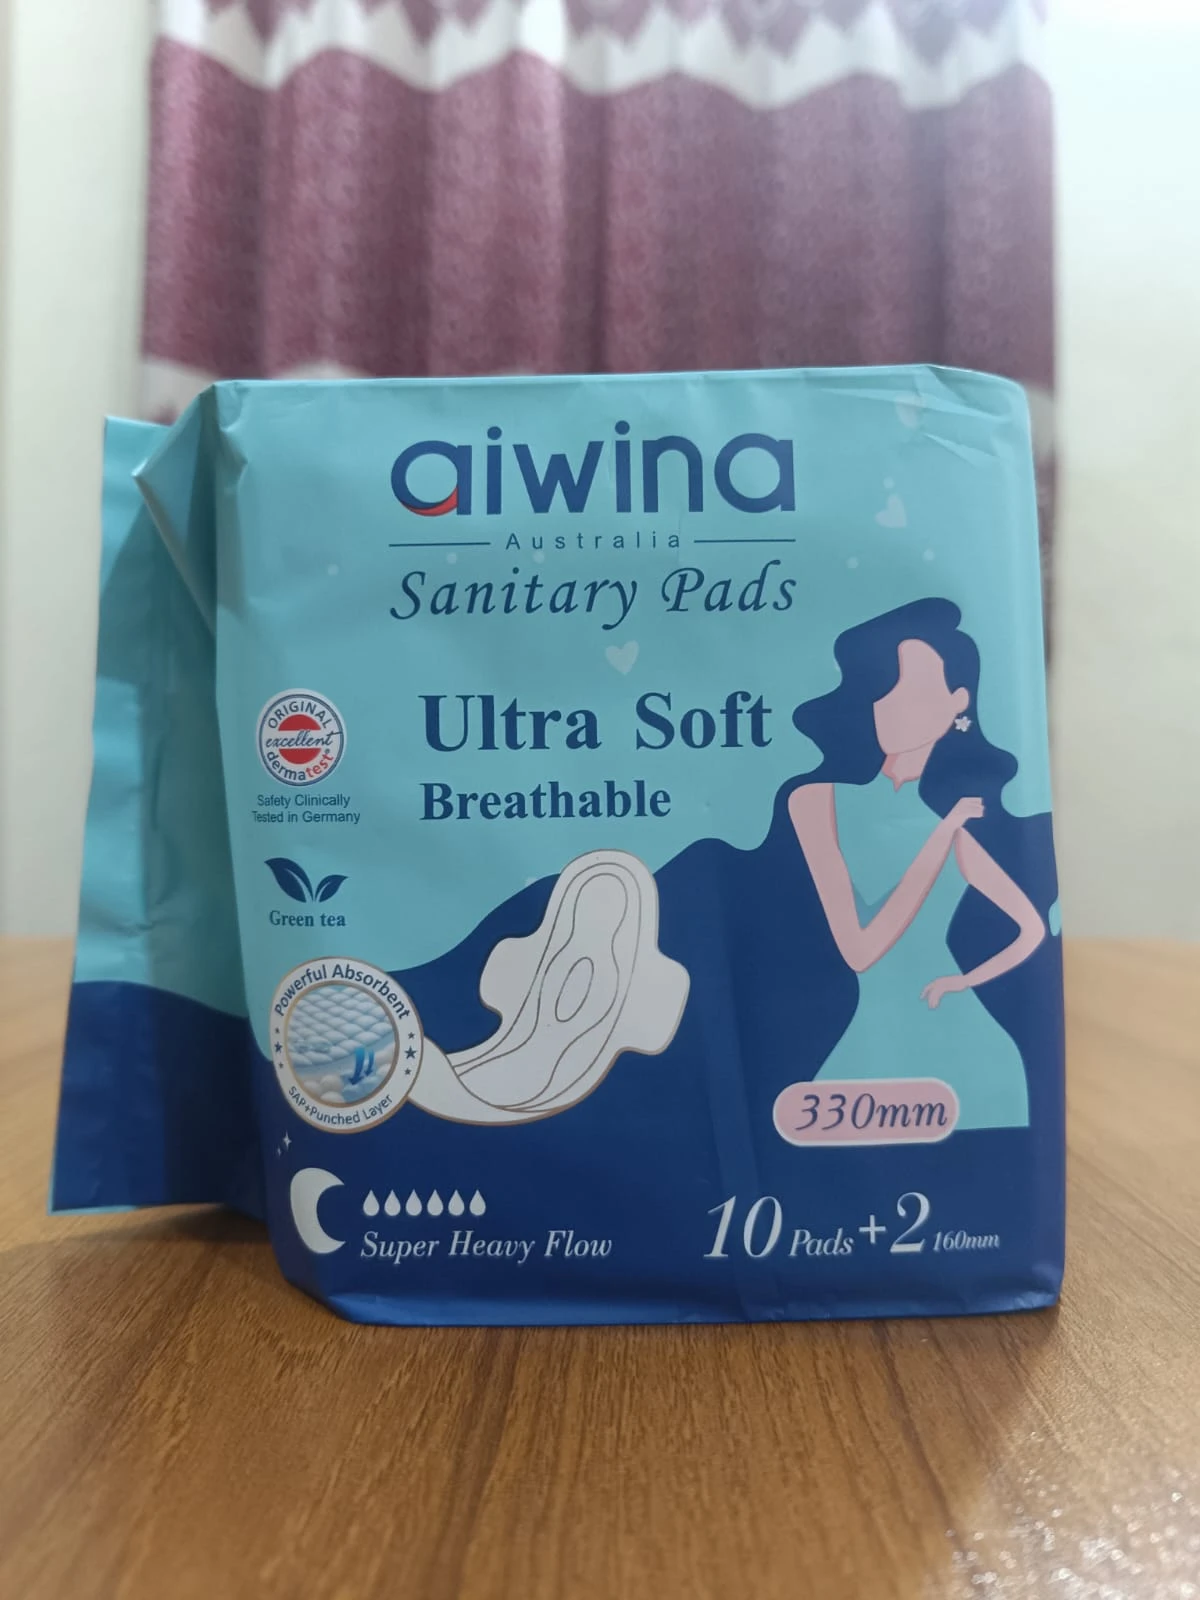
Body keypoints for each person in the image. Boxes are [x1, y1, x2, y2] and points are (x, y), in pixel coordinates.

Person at [782, 599, 1046, 1128]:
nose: (893, 702)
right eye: (885, 686)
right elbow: (860, 951)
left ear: (956, 703)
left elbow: (1032, 930)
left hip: (971, 1053)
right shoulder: (814, 801)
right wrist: (941, 834)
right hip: (871, 1050)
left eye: (916, 687)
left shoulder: (954, 834)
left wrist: (962, 983)